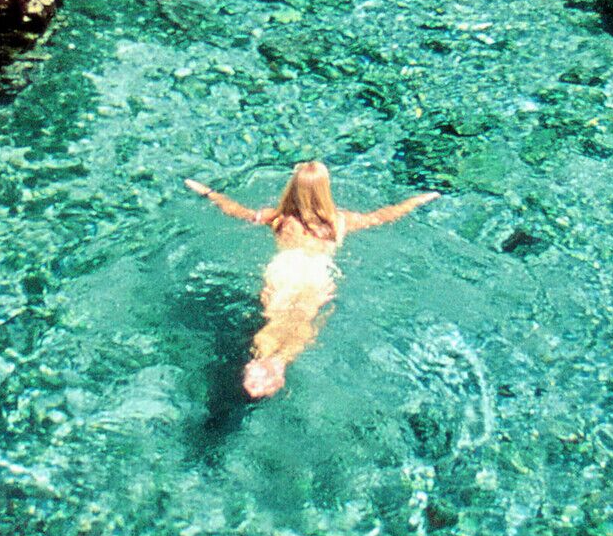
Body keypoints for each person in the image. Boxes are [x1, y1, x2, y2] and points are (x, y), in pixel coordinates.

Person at [184, 160, 440, 400]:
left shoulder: (280, 219)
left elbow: (236, 210)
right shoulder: (338, 222)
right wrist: (416, 200)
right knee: (301, 317)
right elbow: (382, 216)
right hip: (315, 274)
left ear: (292, 188)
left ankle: (262, 357)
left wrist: (208, 193)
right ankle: (278, 361)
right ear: (325, 191)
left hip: (283, 272)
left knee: (279, 317)